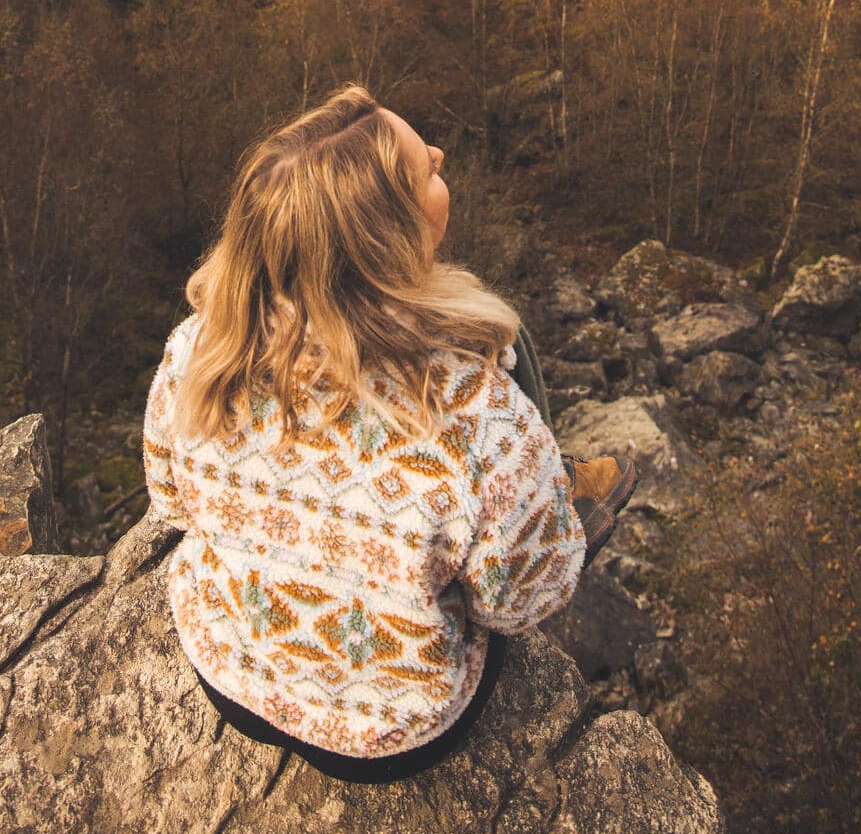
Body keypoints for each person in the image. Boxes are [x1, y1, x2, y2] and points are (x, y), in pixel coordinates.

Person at [141, 84, 636, 782]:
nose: (440, 153)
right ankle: (546, 492)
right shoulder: (472, 408)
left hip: (228, 676)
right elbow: (522, 603)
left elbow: (171, 505)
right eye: (424, 170)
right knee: (508, 364)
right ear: (390, 233)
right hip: (389, 733)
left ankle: (520, 495)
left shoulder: (201, 347)